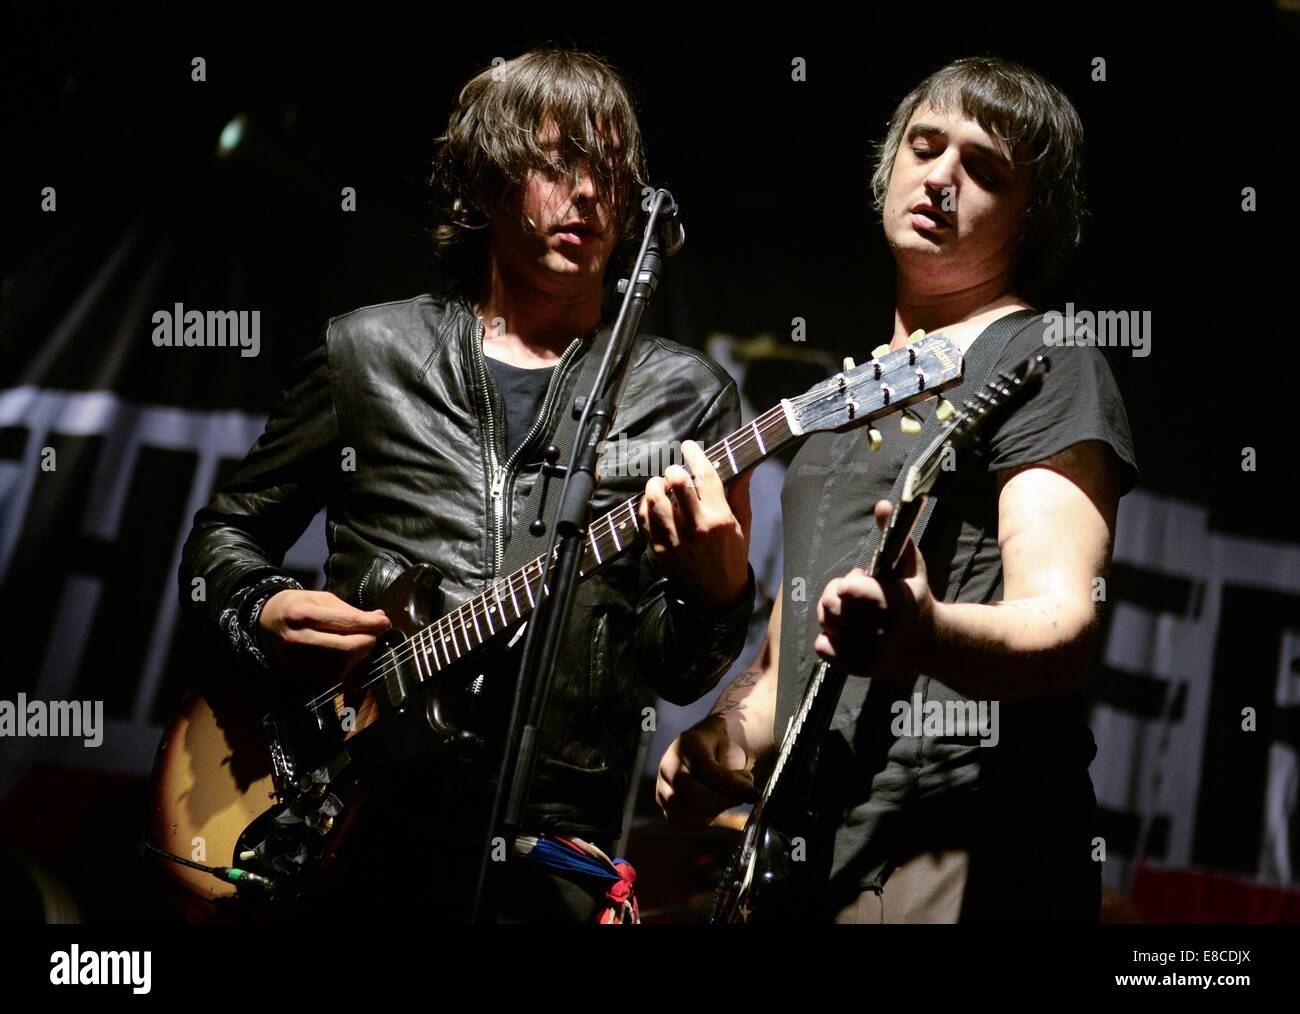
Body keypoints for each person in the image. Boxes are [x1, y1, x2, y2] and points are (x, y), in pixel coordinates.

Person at [179, 48, 754, 923]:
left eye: (608, 170)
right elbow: (222, 538)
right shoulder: (368, 355)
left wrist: (719, 593)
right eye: (558, 164)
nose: (589, 194)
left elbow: (681, 674)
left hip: (555, 857)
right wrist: (260, 608)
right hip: (347, 822)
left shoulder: (687, 397)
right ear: (486, 186)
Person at [657, 56, 1139, 923]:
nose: (942, 177)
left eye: (985, 169)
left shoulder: (1046, 359)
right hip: (810, 855)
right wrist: (721, 746)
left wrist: (928, 632)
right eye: (925, 146)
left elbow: (1064, 625)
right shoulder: (840, 403)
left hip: (955, 843)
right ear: (889, 167)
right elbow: (787, 678)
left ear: (1033, 222)